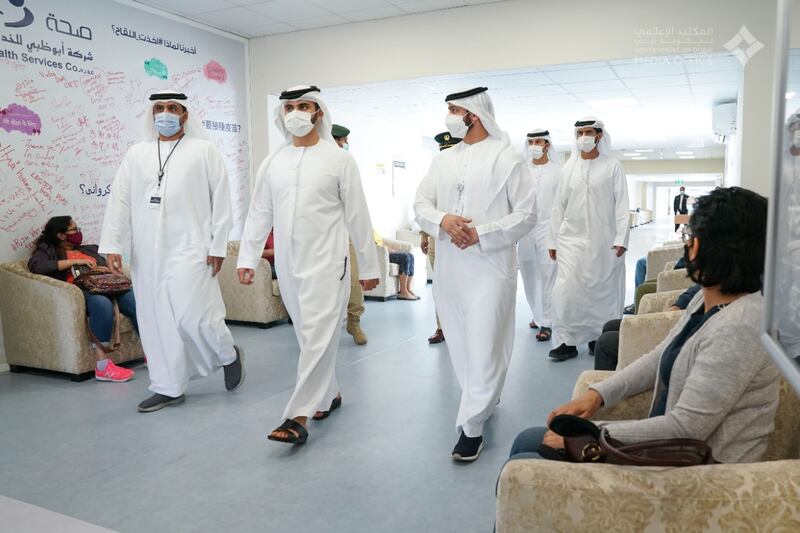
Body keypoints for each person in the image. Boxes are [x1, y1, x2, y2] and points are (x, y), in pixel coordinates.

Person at [509, 187, 780, 466]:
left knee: (524, 456)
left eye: (689, 236)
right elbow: (659, 356)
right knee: (528, 440)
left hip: (698, 474)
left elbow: (686, 428)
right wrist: (598, 394)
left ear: (702, 245)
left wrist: (590, 436)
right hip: (674, 450)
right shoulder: (706, 296)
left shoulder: (740, 327)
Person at [237, 85, 379, 445]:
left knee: (317, 335)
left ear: (318, 112)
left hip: (328, 262)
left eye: (304, 106)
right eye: (290, 107)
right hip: (288, 262)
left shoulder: (339, 160)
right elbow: (259, 213)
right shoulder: (274, 162)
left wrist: (370, 266)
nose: (296, 112)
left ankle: (296, 415)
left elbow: (358, 216)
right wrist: (247, 257)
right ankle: (328, 394)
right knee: (307, 334)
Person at [99, 90, 244, 413]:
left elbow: (221, 200)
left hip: (192, 247)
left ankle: (227, 353)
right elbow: (119, 200)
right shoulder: (137, 154)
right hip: (147, 253)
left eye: (173, 108)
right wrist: (112, 244)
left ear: (185, 114)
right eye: (160, 108)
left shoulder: (204, 151)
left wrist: (218, 245)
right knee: (155, 321)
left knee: (196, 316)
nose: (165, 113)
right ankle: (168, 386)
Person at [415, 87, 536, 462]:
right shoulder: (443, 160)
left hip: (491, 266)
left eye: (454, 109)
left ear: (474, 113)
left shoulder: (509, 158)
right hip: (450, 268)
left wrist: (481, 233)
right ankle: (481, 398)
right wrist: (445, 220)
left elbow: (527, 214)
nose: (449, 116)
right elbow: (421, 205)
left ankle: (471, 427)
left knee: (485, 339)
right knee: (462, 343)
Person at [548, 117, 629, 361]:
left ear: (599, 135)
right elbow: (557, 208)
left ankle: (598, 337)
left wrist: (622, 237)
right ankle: (567, 341)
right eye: (580, 132)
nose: (584, 136)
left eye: (588, 132)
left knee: (601, 291)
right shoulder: (568, 168)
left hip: (604, 241)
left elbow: (622, 204)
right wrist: (552, 241)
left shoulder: (612, 166)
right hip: (570, 240)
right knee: (566, 291)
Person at [28, 216, 137, 383]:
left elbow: (106, 265)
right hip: (81, 291)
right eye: (74, 230)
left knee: (135, 301)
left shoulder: (89, 249)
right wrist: (75, 261)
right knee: (102, 305)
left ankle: (154, 355)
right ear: (61, 235)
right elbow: (37, 266)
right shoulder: (47, 251)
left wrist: (103, 268)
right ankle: (103, 368)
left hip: (107, 286)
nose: (79, 233)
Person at [595, 283, 700, 371]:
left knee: (605, 342)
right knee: (609, 326)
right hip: (680, 321)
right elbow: (695, 290)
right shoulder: (705, 289)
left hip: (683, 334)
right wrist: (677, 305)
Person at [517, 128, 561, 342]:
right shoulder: (521, 170)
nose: (534, 145)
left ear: (547, 145)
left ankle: (547, 322)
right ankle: (537, 314)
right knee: (529, 274)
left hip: (549, 229)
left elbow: (563, 204)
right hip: (525, 231)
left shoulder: (558, 171)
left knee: (548, 275)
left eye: (539, 141)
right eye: (531, 141)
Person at [421, 132, 461, 344]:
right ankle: (442, 327)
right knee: (441, 285)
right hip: (438, 238)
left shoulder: (468, 174)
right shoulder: (433, 176)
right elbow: (426, 207)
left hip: (462, 238)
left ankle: (462, 327)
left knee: (462, 284)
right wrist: (424, 235)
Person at [332, 123, 368, 345]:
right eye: (341, 141)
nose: (344, 145)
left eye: (345, 141)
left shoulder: (346, 164)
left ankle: (353, 321)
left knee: (354, 281)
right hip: (322, 237)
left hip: (347, 234)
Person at [374, 229, 418, 300]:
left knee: (410, 256)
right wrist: (388, 250)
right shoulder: (365, 231)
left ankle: (408, 289)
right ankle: (403, 291)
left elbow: (381, 242)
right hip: (380, 254)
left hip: (385, 251)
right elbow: (374, 245)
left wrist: (391, 249)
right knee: (405, 257)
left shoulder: (373, 231)